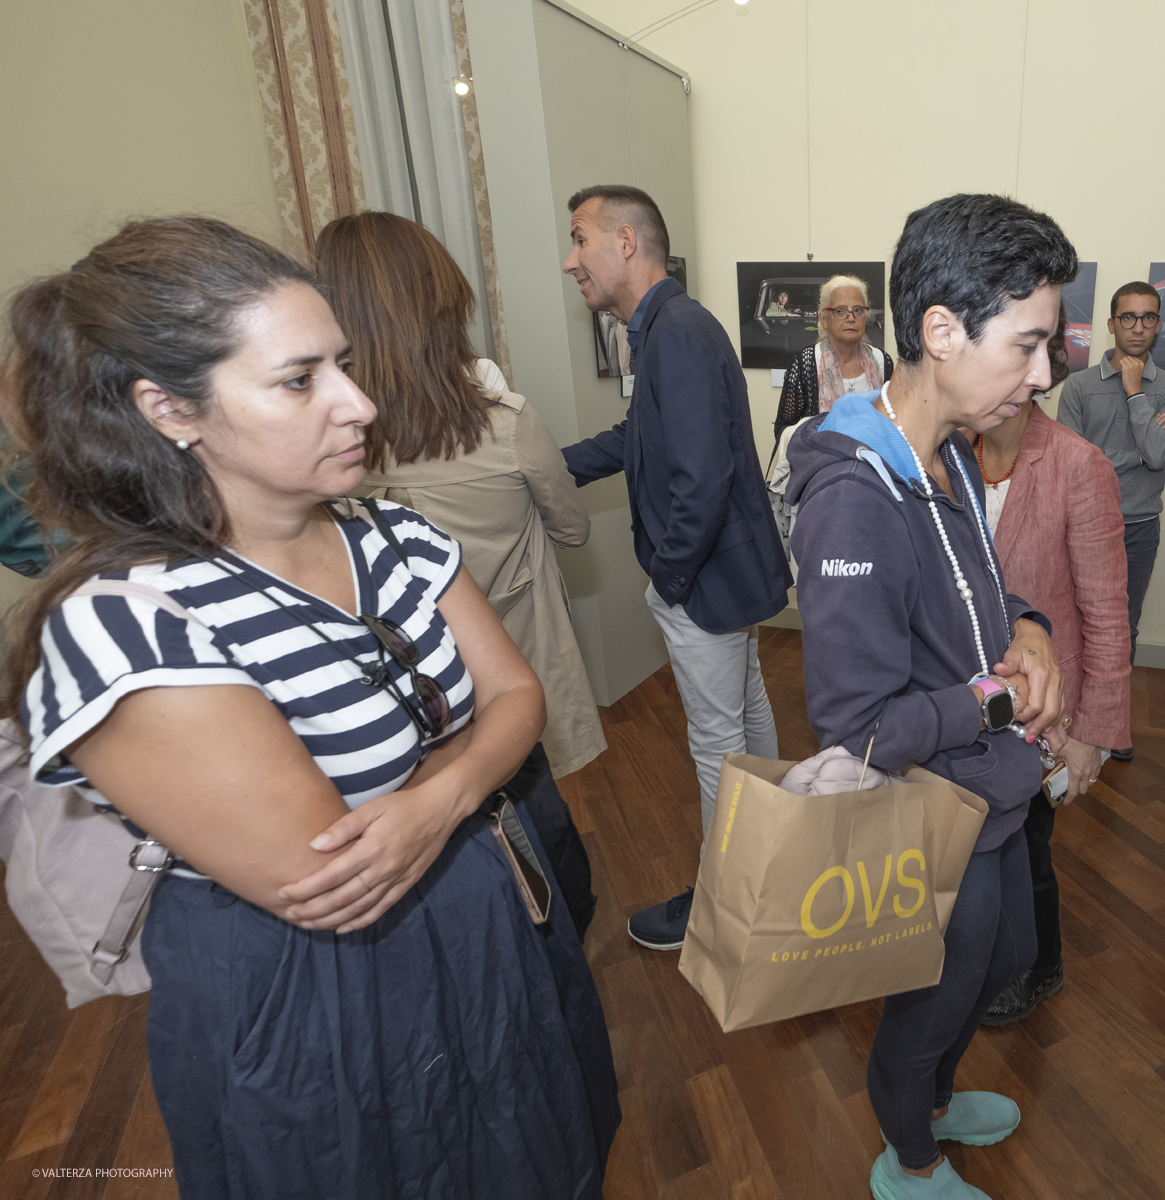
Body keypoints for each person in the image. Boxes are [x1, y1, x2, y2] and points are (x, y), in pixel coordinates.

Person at [1, 217, 619, 1197]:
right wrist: (465, 770)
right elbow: (327, 873)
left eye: (345, 365)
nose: (359, 404)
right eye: (300, 380)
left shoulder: (393, 531)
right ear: (169, 408)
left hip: (486, 934)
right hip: (317, 999)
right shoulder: (125, 622)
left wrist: (434, 800)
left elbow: (518, 694)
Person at [785, 193, 1075, 1200]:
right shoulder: (853, 498)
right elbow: (859, 731)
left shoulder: (947, 445)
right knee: (936, 1004)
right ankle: (910, 1159)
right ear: (942, 332)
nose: (1043, 374)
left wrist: (1029, 625)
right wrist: (999, 699)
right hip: (928, 803)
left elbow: (977, 591)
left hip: (990, 789)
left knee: (1001, 963)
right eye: (1027, 345)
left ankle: (940, 1105)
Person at [559, 185, 792, 952]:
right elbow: (640, 436)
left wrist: (670, 579)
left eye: (580, 239)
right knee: (749, 715)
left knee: (718, 742)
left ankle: (725, 908)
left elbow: (702, 480)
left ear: (626, 242)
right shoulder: (671, 327)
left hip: (704, 582)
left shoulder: (677, 334)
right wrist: (546, 466)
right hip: (724, 576)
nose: (570, 261)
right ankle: (774, 864)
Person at [313, 212, 606, 782]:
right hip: (512, 667)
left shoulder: (324, 454)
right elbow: (573, 530)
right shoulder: (506, 426)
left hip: (400, 701)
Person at [972, 309, 1131, 1027]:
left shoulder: (1077, 466)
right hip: (967, 701)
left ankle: (1042, 966)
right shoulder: (951, 455)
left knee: (1027, 848)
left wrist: (1092, 734)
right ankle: (985, 953)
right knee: (978, 845)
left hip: (1042, 714)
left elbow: (1107, 616)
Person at [1055, 280, 1165, 761]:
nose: (1137, 327)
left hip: (1138, 527)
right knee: (1068, 621)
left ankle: (1110, 723)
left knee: (1121, 628)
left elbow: (1158, 457)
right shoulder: (1079, 386)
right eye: (1128, 317)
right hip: (1080, 526)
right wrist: (1136, 447)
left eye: (1148, 317)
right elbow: (1068, 464)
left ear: (1158, 325)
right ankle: (1067, 717)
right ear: (1112, 323)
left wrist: (1135, 395)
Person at [766, 275, 896, 560]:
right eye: (840, 311)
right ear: (823, 318)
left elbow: (894, 422)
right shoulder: (805, 363)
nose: (851, 317)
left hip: (873, 492)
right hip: (817, 492)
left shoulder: (882, 362)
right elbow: (783, 429)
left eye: (858, 310)